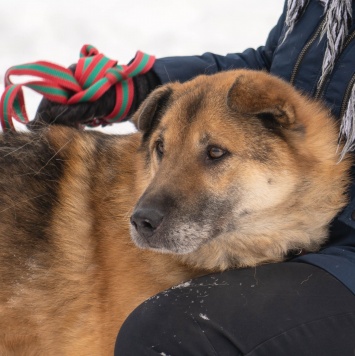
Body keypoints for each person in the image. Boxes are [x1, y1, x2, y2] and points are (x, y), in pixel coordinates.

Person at [33, 0, 355, 354]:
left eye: (214, 155)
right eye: (162, 150)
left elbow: (265, 98)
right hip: (305, 218)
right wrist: (144, 84)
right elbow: (275, 64)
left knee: (168, 332)